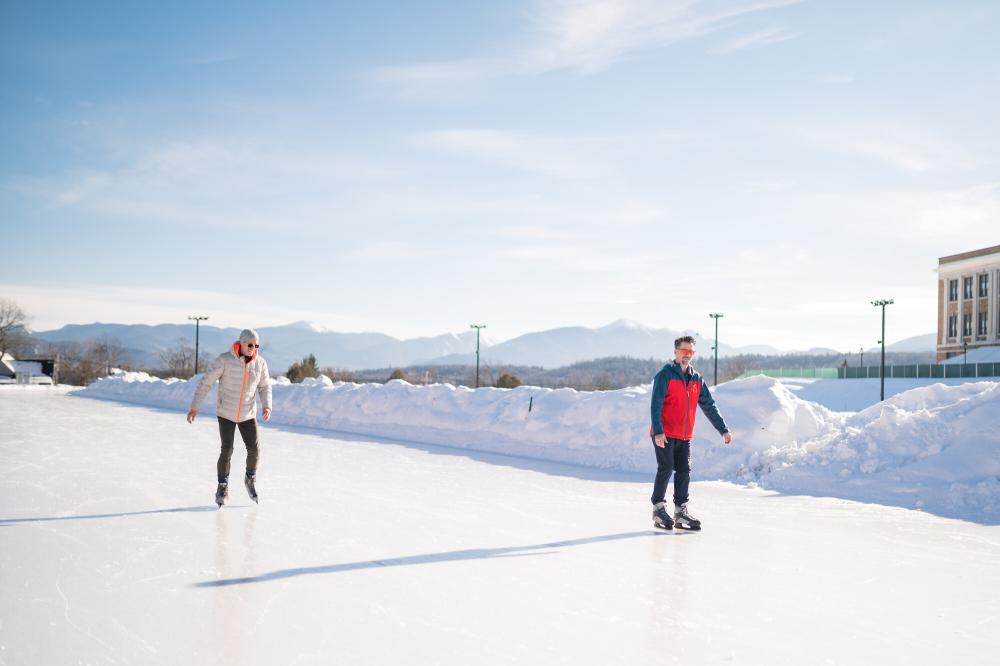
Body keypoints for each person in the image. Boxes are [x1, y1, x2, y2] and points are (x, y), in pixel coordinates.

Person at [649, 335, 732, 531]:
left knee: (684, 471)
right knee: (666, 468)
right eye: (684, 351)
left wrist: (723, 429)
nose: (687, 355)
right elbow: (656, 405)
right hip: (665, 433)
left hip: (684, 435)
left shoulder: (696, 379)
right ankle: (658, 508)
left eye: (691, 352)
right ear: (675, 352)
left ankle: (680, 511)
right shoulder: (665, 375)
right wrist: (658, 432)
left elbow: (709, 406)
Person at [187, 328, 272, 506]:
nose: (253, 348)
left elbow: (264, 387)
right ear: (241, 343)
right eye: (250, 344)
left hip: (248, 414)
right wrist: (195, 407)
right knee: (227, 449)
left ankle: (250, 479)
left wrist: (266, 405)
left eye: (256, 345)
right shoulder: (224, 360)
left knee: (254, 449)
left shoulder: (260, 363)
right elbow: (206, 382)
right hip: (226, 412)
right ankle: (222, 486)